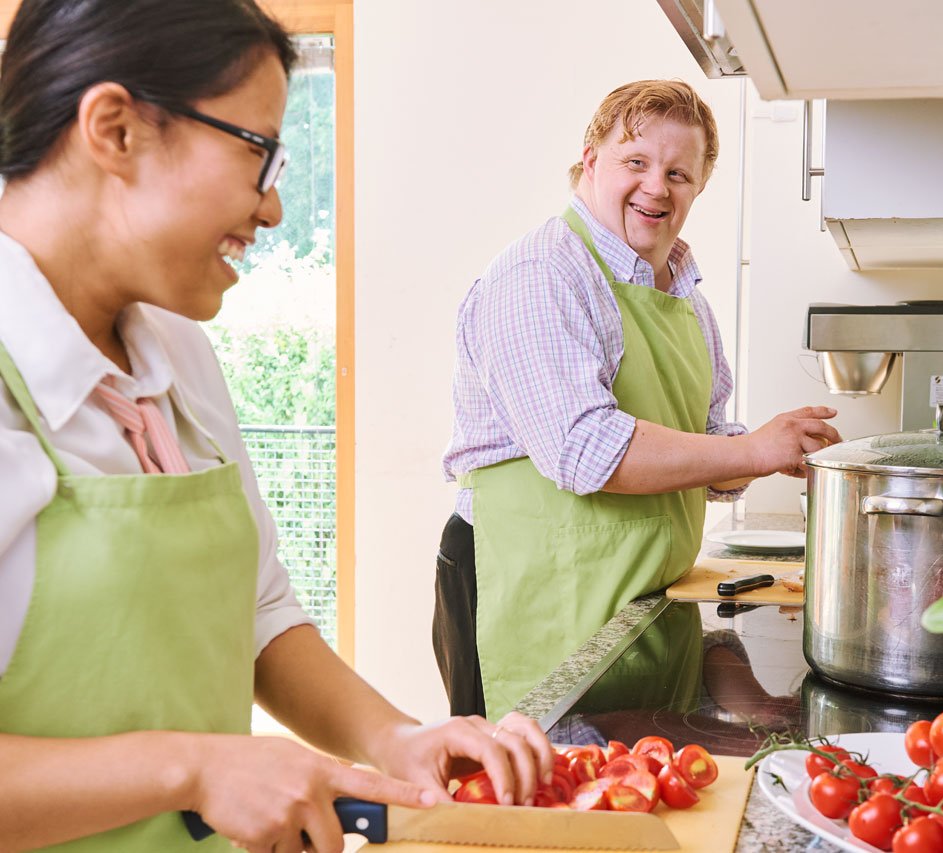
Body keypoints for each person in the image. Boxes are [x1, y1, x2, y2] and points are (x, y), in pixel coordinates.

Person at [0, 1, 552, 851]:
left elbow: (257, 613)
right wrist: (193, 767)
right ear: (115, 129)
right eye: (257, 153)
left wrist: (394, 738)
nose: (273, 210)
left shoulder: (176, 347)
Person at [437, 80, 841, 720]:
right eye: (637, 162)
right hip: (533, 591)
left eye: (679, 173)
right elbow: (583, 451)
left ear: (698, 188)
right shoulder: (541, 274)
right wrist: (752, 448)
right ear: (591, 160)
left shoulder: (686, 295)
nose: (658, 187)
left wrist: (775, 454)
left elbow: (710, 441)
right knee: (539, 805)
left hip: (642, 596)